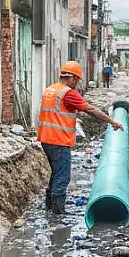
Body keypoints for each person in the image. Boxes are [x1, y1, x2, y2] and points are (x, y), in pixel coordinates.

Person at [37, 61, 124, 214]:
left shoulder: (50, 89)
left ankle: (49, 206)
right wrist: (112, 121)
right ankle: (58, 212)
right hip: (58, 140)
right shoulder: (67, 93)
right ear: (73, 78)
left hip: (46, 138)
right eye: (76, 80)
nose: (77, 84)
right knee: (63, 176)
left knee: (56, 172)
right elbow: (90, 109)